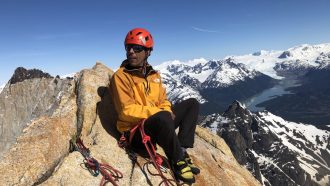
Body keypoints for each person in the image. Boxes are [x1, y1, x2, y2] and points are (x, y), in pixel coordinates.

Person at [109, 28, 200, 184]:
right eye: (128, 48)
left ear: (148, 52)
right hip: (135, 133)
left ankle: (182, 150)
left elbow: (163, 100)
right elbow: (126, 110)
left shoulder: (154, 75)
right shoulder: (121, 76)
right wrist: (160, 112)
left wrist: (164, 110)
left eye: (137, 48)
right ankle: (177, 160)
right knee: (164, 116)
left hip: (157, 122)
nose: (131, 52)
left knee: (192, 103)